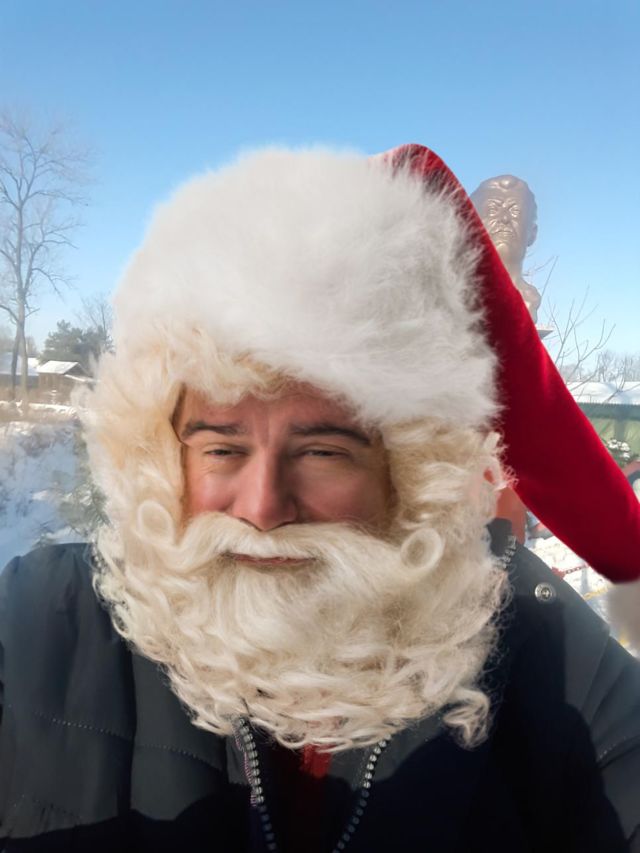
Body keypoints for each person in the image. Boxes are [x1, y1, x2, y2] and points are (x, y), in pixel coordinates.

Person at [1, 144, 640, 852]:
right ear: (163, 458)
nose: (262, 507)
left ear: (408, 475)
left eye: (322, 452)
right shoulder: (46, 623)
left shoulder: (548, 658)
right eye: (222, 449)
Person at [470, 174, 542, 322]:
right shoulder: (450, 295)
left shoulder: (529, 299)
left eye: (515, 212)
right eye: (492, 210)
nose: (504, 218)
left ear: (532, 233)